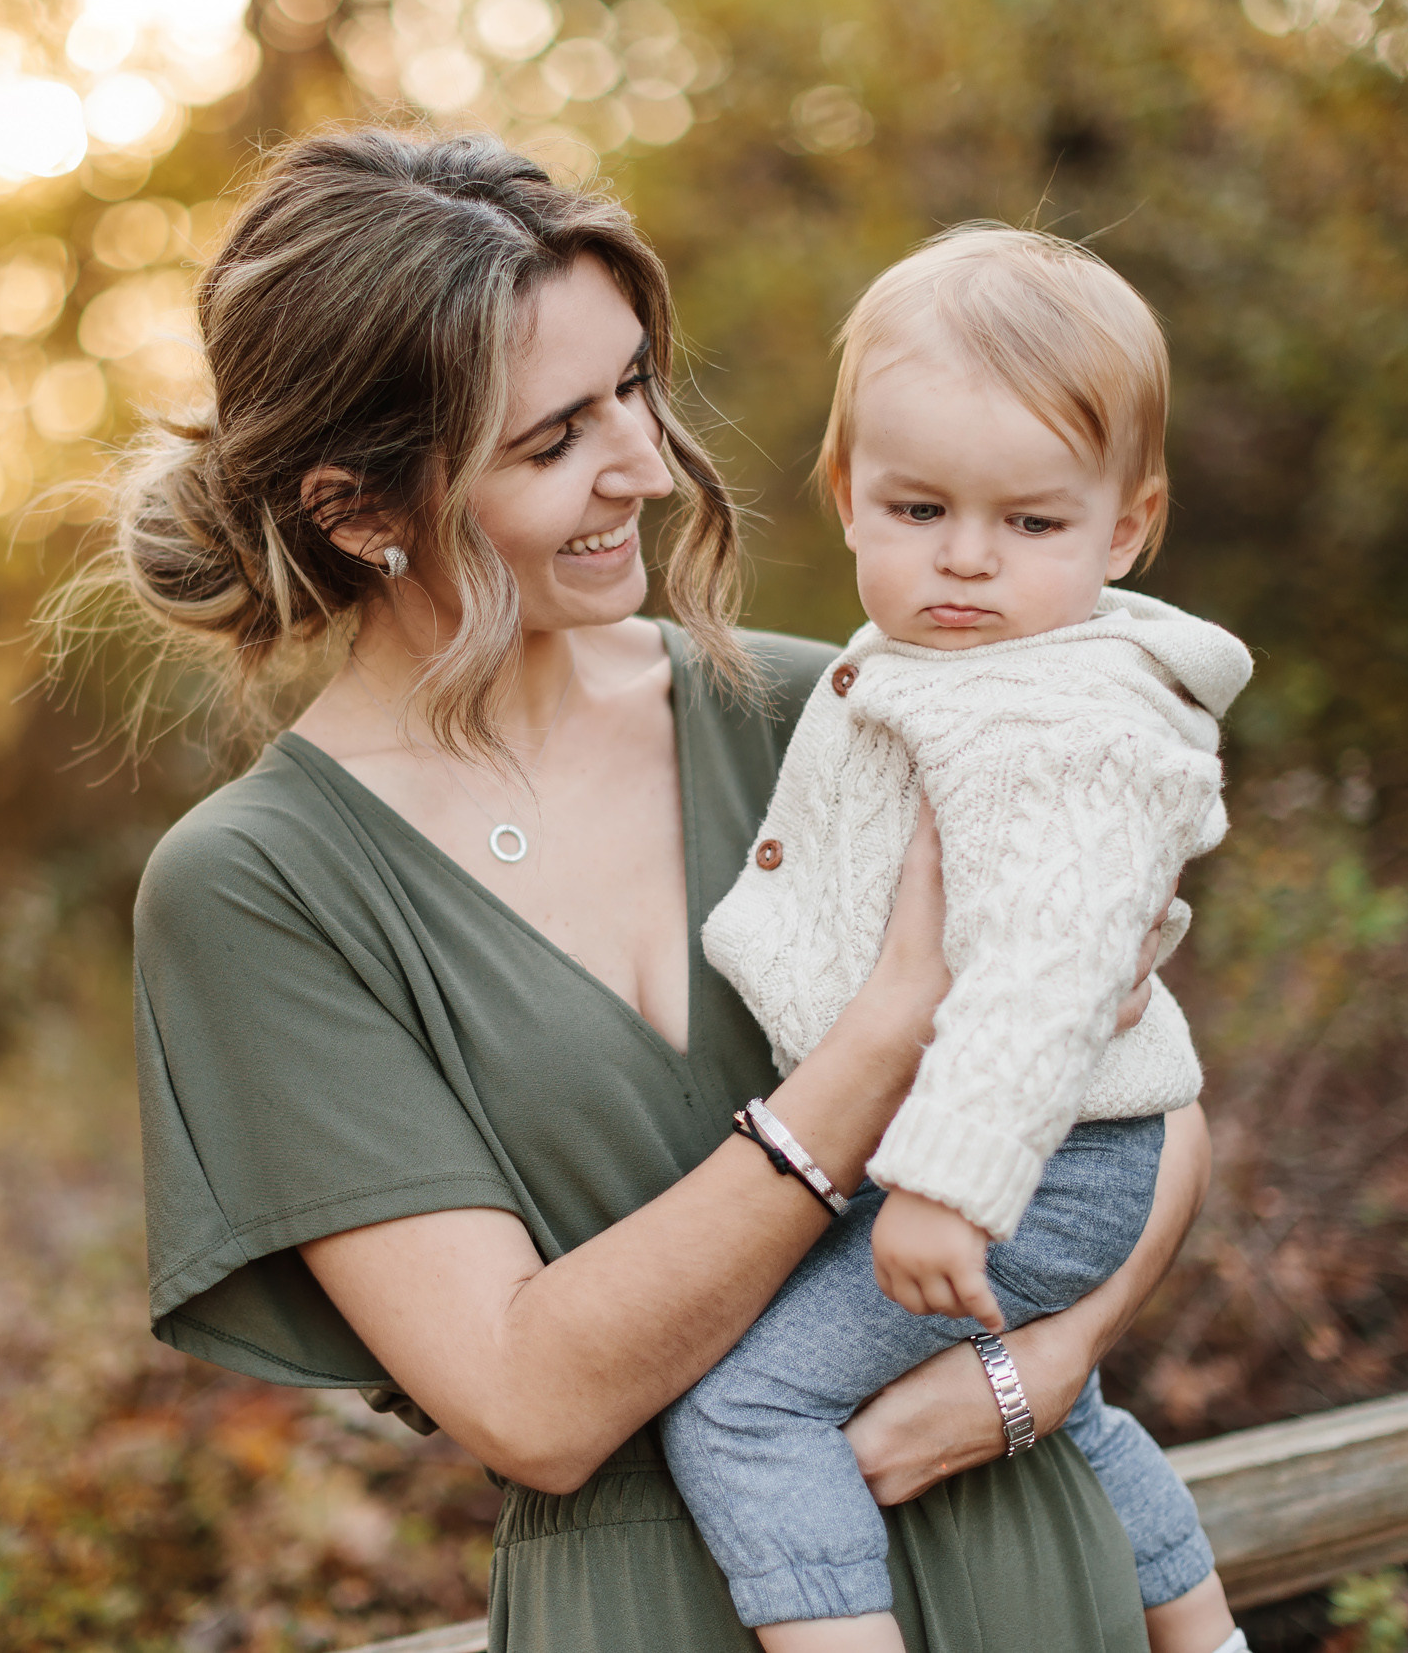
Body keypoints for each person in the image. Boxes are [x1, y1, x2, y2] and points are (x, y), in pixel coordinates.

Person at [76, 127, 1212, 1652]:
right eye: (552, 443)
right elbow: (532, 1405)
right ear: (361, 508)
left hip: (1022, 1557)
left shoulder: (844, 712)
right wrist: (884, 1039)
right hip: (656, 1607)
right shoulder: (260, 893)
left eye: (633, 389)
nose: (646, 466)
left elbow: (1153, 1099)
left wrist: (1039, 1371)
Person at [665, 226, 1250, 1653]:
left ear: (1124, 529)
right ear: (848, 496)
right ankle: (1205, 1635)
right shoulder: (945, 668)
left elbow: (1049, 977)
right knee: (1071, 1407)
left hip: (1025, 1163)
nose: (969, 561)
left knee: (744, 1409)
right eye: (919, 509)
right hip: (1022, 1152)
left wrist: (947, 1187)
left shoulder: (1067, 718)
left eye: (1033, 525)